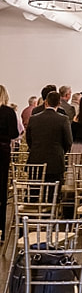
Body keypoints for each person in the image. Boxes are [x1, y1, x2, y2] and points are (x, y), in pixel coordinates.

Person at [25, 90, 72, 185]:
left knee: (34, 190)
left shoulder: (33, 118)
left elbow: (29, 139)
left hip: (36, 159)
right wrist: (61, 151)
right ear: (59, 103)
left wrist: (34, 148)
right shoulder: (63, 119)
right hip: (55, 160)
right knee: (53, 193)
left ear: (46, 102)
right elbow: (68, 141)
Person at [0, 85, 20, 236]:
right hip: (2, 150)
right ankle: (1, 228)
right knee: (2, 187)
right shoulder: (8, 112)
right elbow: (14, 133)